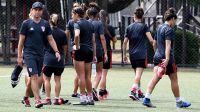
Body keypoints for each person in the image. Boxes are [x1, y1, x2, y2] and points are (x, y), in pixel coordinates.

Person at [142, 8, 191, 108]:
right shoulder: (169, 29)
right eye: (175, 20)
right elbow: (168, 45)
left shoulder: (159, 27)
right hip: (167, 59)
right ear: (172, 18)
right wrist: (167, 58)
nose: (175, 22)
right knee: (174, 79)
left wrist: (157, 53)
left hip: (158, 57)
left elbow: (154, 43)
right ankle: (178, 102)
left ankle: (146, 98)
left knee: (155, 78)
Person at [18, 2, 61, 108]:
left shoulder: (45, 24)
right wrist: (19, 56)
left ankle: (26, 98)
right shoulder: (26, 23)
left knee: (35, 77)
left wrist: (56, 51)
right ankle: (37, 100)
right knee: (34, 76)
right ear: (32, 10)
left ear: (42, 11)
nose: (37, 11)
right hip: (29, 54)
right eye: (35, 9)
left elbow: (50, 39)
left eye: (39, 10)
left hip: (41, 55)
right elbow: (21, 41)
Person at [123, 7, 154, 101]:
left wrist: (124, 55)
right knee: (138, 75)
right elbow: (151, 40)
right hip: (141, 54)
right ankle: (133, 91)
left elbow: (124, 42)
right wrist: (156, 48)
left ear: (134, 16)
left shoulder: (129, 27)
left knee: (137, 75)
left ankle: (139, 92)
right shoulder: (144, 27)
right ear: (142, 17)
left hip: (132, 55)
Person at [72, 7, 96, 105]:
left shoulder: (77, 24)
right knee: (87, 76)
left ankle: (82, 98)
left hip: (80, 50)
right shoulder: (90, 24)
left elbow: (77, 35)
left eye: (73, 14)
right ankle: (90, 98)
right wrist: (94, 55)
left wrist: (76, 46)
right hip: (89, 51)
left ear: (77, 14)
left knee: (81, 75)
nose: (72, 16)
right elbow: (93, 41)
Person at [42, 14, 68, 105]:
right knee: (58, 80)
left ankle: (48, 99)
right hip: (59, 60)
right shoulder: (62, 33)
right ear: (58, 21)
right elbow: (65, 47)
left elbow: (43, 45)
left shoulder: (46, 32)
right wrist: (63, 57)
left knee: (46, 80)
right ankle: (56, 99)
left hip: (48, 59)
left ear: (49, 21)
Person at [87, 3, 108, 101]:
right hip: (98, 49)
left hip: (87, 49)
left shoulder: (85, 23)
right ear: (96, 15)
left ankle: (87, 92)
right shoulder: (99, 24)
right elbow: (102, 38)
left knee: (87, 73)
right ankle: (93, 88)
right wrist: (106, 52)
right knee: (100, 72)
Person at [98, 10, 117, 100]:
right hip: (106, 51)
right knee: (104, 74)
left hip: (97, 51)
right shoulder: (109, 27)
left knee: (99, 72)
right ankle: (101, 91)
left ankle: (104, 90)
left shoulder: (96, 25)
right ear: (106, 17)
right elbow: (115, 40)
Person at [65, 3, 80, 98]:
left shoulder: (70, 22)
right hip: (79, 47)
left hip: (74, 47)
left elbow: (65, 34)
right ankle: (76, 91)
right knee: (81, 72)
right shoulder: (80, 22)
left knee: (79, 72)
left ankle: (78, 91)